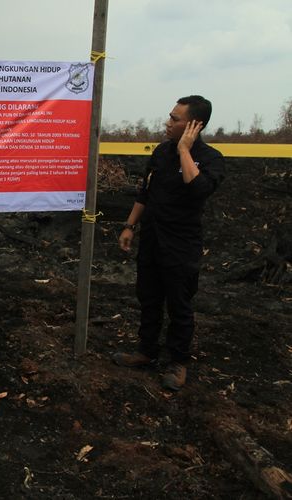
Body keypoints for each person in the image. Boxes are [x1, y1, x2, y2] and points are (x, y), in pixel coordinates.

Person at [112, 95, 226, 391]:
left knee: (179, 304)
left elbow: (198, 188)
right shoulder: (161, 153)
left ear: (194, 125)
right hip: (151, 239)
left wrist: (185, 150)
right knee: (148, 297)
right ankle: (146, 352)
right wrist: (130, 226)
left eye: (175, 119)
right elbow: (145, 193)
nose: (168, 122)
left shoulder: (211, 158)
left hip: (181, 245)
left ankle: (178, 361)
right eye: (171, 116)